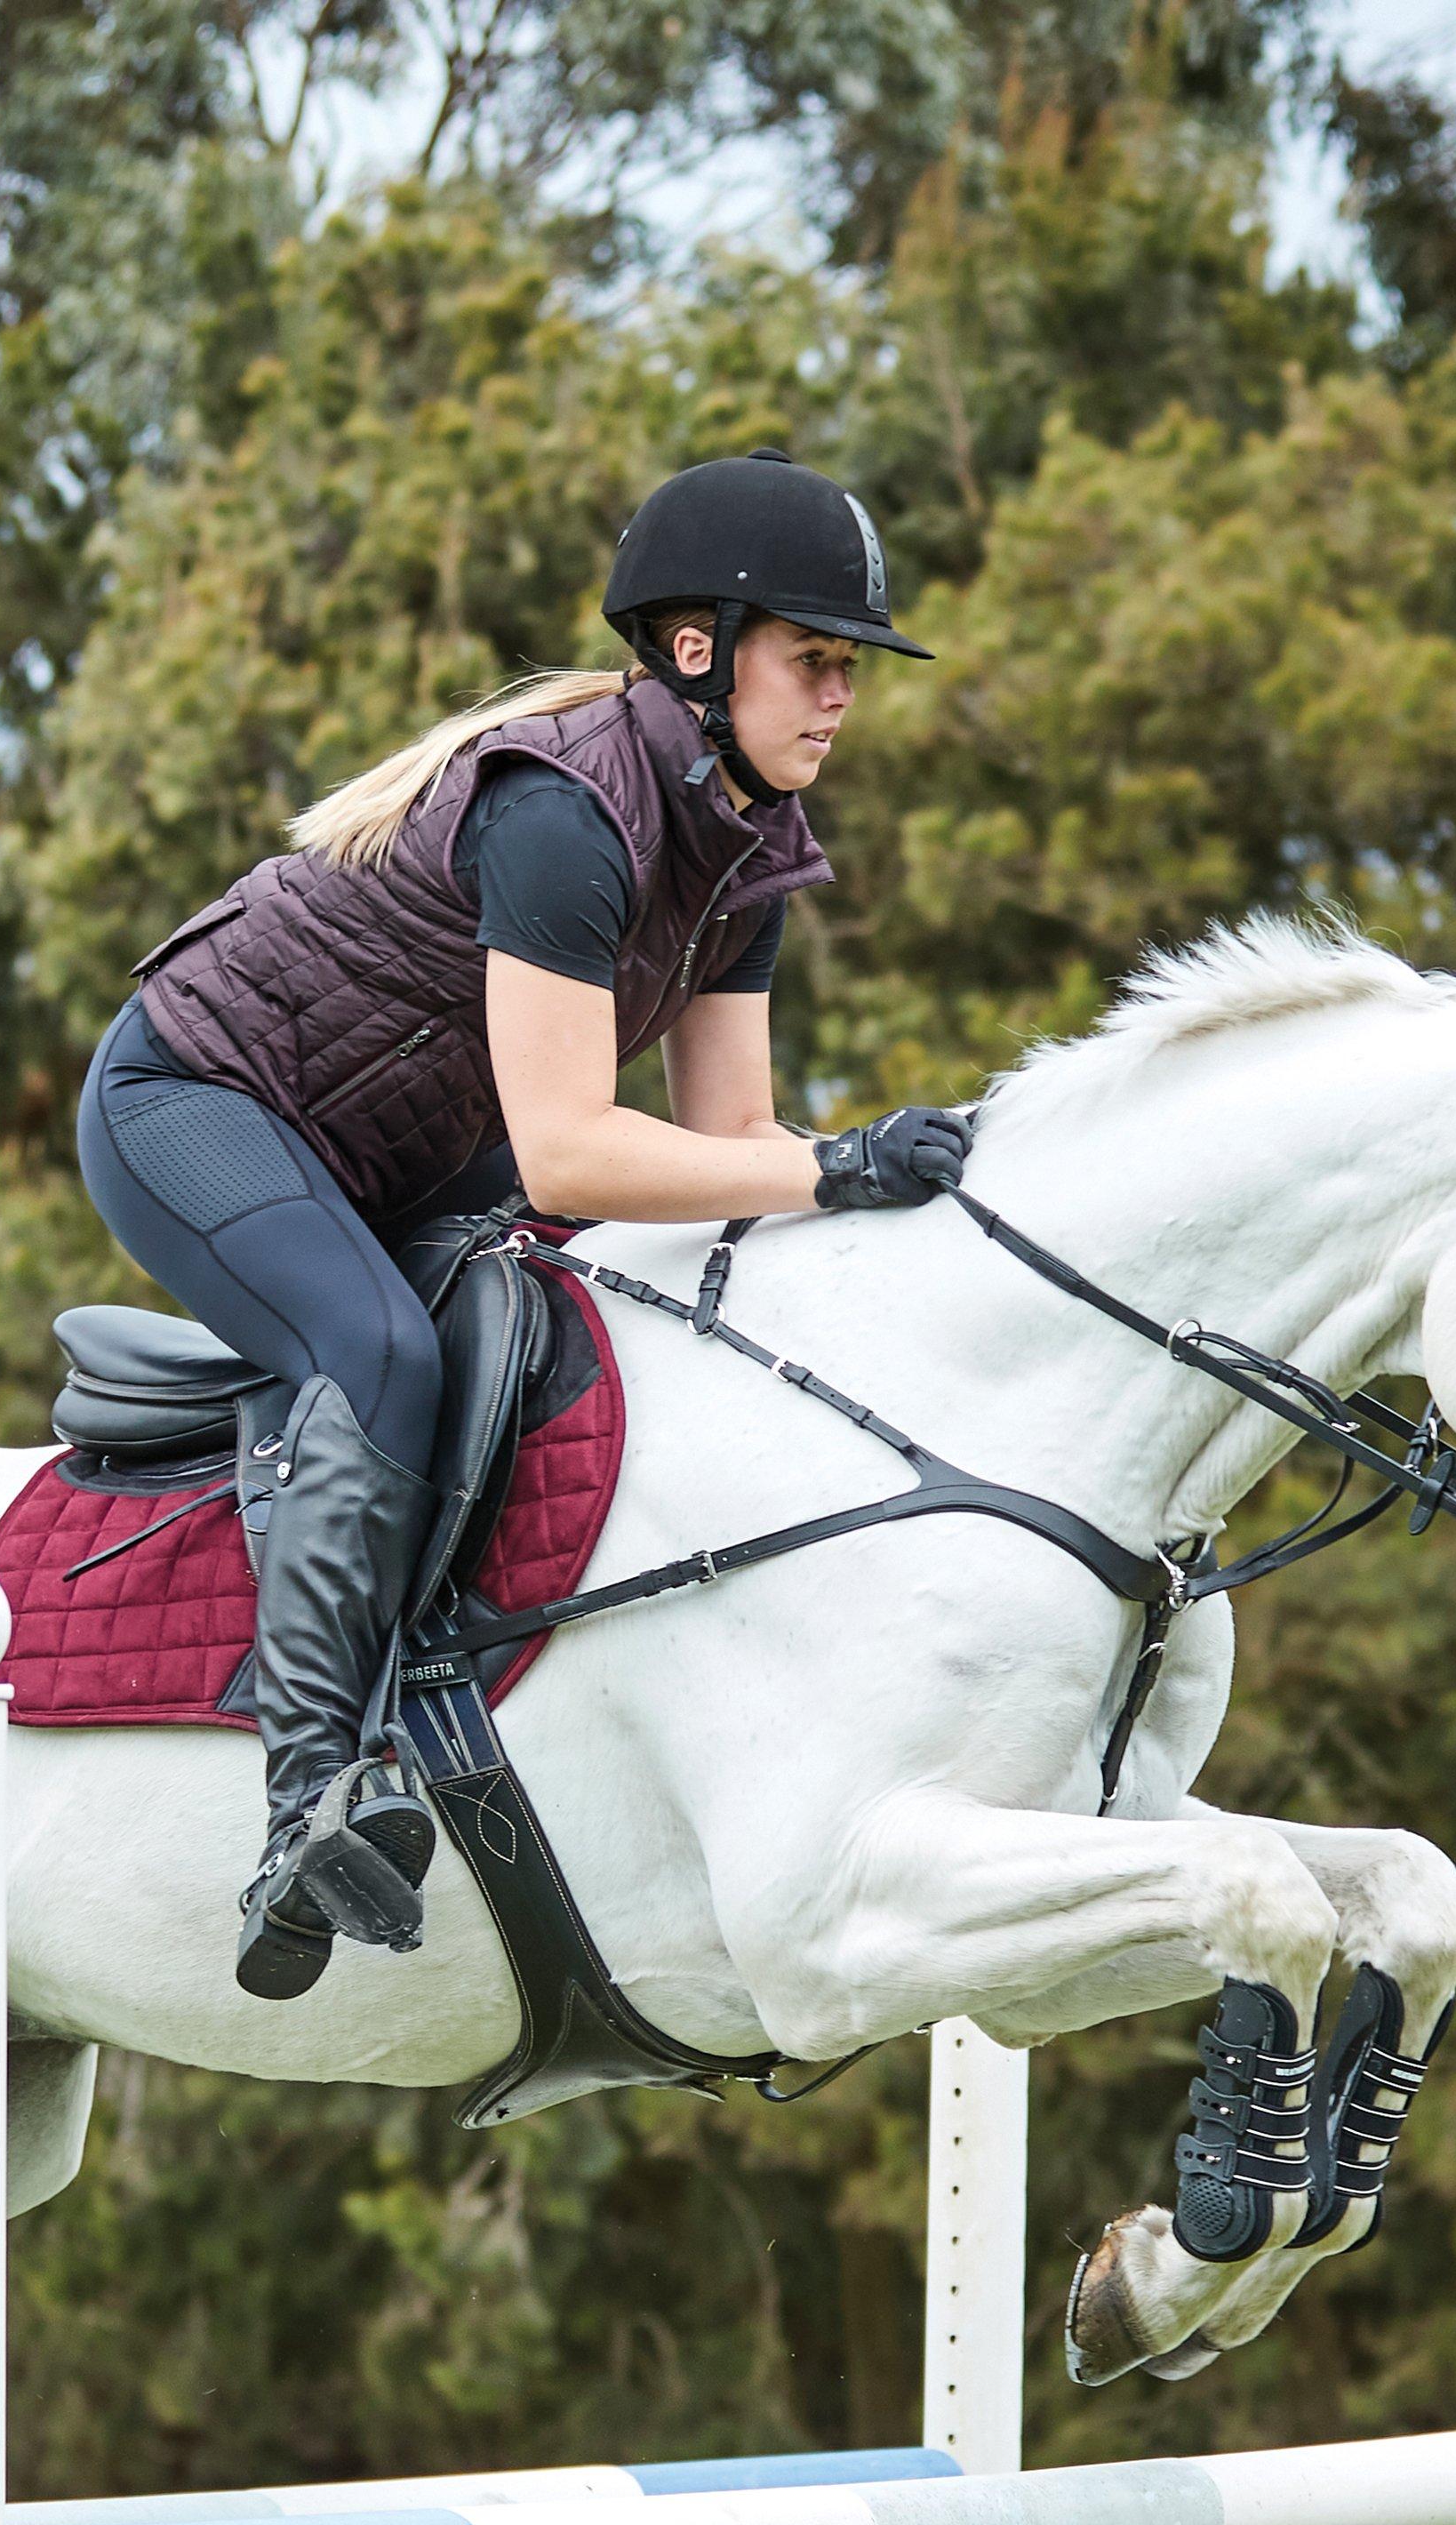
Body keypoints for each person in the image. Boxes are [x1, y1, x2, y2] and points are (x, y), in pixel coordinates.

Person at [80, 447, 979, 2000]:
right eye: (815, 661)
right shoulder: (563, 815)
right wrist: (839, 1168)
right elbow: (571, 1153)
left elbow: (728, 1143)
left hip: (413, 1149)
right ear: (699, 652)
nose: (842, 698)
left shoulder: (747, 852)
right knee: (377, 1356)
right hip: (199, 1103)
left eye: (850, 671)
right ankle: (309, 1801)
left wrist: (874, 1190)